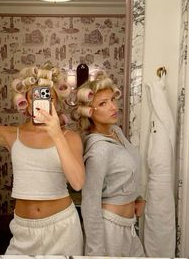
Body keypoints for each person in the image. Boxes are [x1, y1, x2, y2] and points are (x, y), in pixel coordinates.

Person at [0, 58, 85, 255]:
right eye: (37, 96)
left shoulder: (69, 137)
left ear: (57, 104)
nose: (43, 101)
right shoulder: (10, 134)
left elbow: (77, 183)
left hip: (63, 229)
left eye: (50, 97)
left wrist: (57, 134)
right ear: (26, 101)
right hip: (23, 231)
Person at [73, 71, 145, 257]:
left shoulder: (116, 132)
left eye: (112, 99)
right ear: (90, 112)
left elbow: (128, 168)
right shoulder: (98, 150)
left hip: (128, 225)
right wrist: (96, 251)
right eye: (103, 103)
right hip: (109, 229)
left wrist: (137, 197)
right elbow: (90, 202)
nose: (113, 106)